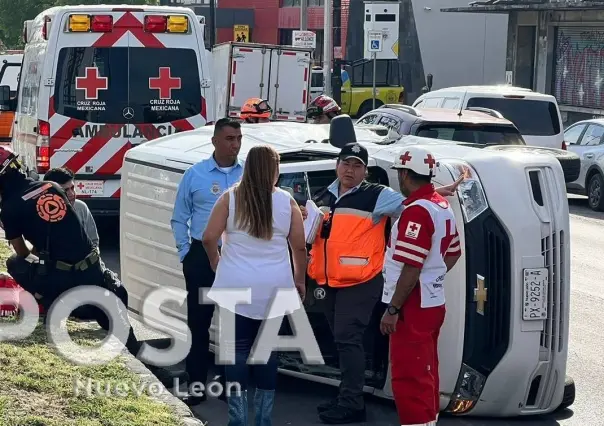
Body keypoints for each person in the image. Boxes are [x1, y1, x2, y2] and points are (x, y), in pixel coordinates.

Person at [308, 142, 462, 424]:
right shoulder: (324, 194)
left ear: (366, 171)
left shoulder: (378, 196)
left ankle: (352, 402)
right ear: (337, 165)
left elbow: (413, 212)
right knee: (344, 343)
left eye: (357, 166)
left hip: (362, 283)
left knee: (368, 349)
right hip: (328, 281)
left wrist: (403, 299)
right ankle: (348, 396)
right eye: (346, 163)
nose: (350, 170)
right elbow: (449, 249)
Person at [0, 148, 143, 364]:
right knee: (116, 324)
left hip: (61, 277)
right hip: (93, 269)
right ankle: (150, 364)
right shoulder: (53, 187)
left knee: (14, 263)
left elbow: (22, 253)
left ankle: (48, 300)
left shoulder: (9, 209)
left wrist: (40, 259)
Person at [203, 144, 307, 426]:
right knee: (267, 352)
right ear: (274, 170)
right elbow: (299, 247)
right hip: (275, 288)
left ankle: (237, 419)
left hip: (236, 284)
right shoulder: (287, 202)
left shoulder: (230, 197)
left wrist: (216, 261)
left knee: (235, 351)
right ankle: (263, 419)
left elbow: (208, 236)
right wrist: (299, 280)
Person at [380, 146, 462, 426]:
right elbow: (452, 253)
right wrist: (434, 277)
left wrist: (393, 308)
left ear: (404, 174)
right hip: (431, 301)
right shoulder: (440, 205)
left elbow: (411, 267)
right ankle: (428, 421)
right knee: (426, 369)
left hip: (412, 304)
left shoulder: (417, 212)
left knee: (409, 374)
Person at [170, 117, 244, 405]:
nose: (235, 144)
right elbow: (179, 217)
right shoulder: (195, 175)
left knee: (233, 324)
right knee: (199, 322)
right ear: (214, 141)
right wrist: (185, 253)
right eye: (229, 138)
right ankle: (197, 384)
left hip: (236, 258)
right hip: (201, 257)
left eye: (238, 138)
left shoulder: (247, 174)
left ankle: (227, 384)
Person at [43, 167, 99, 247]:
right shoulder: (41, 213)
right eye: (65, 190)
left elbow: (93, 240)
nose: (72, 194)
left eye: (72, 188)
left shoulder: (81, 207)